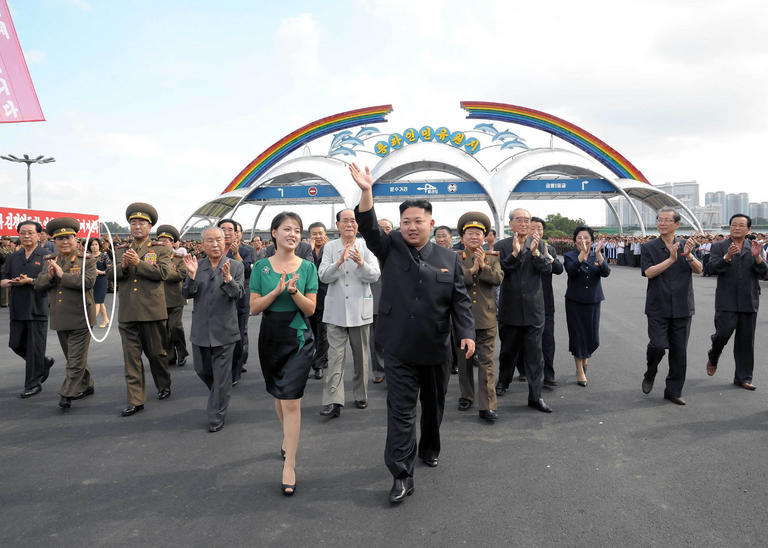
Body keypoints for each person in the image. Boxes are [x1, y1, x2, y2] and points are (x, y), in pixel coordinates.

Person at [349, 163, 475, 504]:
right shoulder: (390, 246)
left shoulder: (449, 256)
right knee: (401, 412)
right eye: (406, 222)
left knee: (432, 409)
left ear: (431, 224)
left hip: (436, 348)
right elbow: (369, 226)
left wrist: (466, 333)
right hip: (399, 347)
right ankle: (401, 474)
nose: (412, 226)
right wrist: (366, 192)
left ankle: (430, 447)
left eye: (418, 221)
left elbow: (460, 301)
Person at [250, 212, 318, 497]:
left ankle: (289, 463)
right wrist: (276, 291)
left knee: (291, 400)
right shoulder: (261, 267)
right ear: (274, 233)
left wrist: (293, 293)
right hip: (271, 337)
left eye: (297, 230)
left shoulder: (307, 267)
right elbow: (254, 307)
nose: (293, 234)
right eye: (287, 229)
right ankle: (287, 439)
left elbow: (311, 308)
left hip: (299, 337)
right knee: (279, 396)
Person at [110, 202, 172, 417]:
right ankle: (136, 399)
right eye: (133, 223)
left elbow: (163, 273)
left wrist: (139, 263)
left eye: (142, 223)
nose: (137, 227)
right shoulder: (120, 250)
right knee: (131, 358)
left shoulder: (161, 248)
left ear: (150, 227)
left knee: (156, 354)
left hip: (152, 311)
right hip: (128, 312)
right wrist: (124, 267)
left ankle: (163, 383)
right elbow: (111, 275)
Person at [318, 209, 380, 417]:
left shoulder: (366, 247)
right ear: (337, 225)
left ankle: (360, 395)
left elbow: (375, 276)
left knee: (361, 357)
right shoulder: (330, 247)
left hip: (359, 311)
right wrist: (339, 262)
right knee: (335, 357)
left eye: (353, 221)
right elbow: (324, 276)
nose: (350, 225)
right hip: (335, 312)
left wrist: (361, 263)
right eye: (345, 221)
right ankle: (333, 400)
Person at [182, 227, 244, 432]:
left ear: (225, 241)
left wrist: (228, 280)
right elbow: (187, 294)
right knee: (202, 370)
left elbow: (238, 294)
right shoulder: (196, 265)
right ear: (203, 244)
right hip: (201, 331)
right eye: (210, 240)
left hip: (225, 331)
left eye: (218, 240)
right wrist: (191, 276)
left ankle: (216, 415)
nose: (215, 244)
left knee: (222, 376)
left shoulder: (235, 266)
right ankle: (219, 395)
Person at [640, 209, 702, 405]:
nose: (662, 223)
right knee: (658, 346)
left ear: (676, 225)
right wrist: (671, 259)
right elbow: (648, 272)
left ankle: (673, 391)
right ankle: (651, 371)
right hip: (658, 306)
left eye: (667, 220)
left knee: (679, 351)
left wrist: (689, 255)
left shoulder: (686, 245)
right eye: (659, 220)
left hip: (683, 306)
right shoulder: (649, 246)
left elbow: (700, 269)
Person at [34, 218, 97, 409]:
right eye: (60, 238)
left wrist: (63, 275)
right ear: (54, 242)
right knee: (73, 357)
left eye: (68, 237)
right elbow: (38, 285)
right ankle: (87, 384)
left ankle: (66, 393)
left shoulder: (87, 260)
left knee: (75, 360)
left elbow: (88, 283)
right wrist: (50, 276)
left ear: (76, 239)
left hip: (81, 317)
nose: (64, 242)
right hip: (60, 318)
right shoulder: (50, 262)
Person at [495, 208, 553, 412]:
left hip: (533, 310)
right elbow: (500, 271)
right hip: (510, 309)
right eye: (519, 220)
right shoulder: (501, 246)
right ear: (510, 224)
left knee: (535, 355)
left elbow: (547, 269)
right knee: (507, 351)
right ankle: (503, 382)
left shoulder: (540, 244)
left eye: (527, 220)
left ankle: (535, 396)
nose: (523, 223)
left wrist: (536, 253)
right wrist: (515, 254)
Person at [705, 214, 767, 389]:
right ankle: (713, 355)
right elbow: (710, 268)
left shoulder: (755, 247)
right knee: (722, 334)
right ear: (729, 227)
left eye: (741, 225)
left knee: (746, 342)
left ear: (748, 229)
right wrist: (726, 257)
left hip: (749, 300)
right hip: (727, 300)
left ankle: (743, 377)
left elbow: (763, 272)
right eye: (733, 225)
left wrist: (757, 257)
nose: (737, 228)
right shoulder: (719, 246)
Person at [454, 212, 503, 422]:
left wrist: (482, 268)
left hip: (486, 318)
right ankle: (466, 395)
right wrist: (471, 270)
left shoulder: (492, 257)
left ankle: (488, 405)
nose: (474, 237)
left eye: (478, 234)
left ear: (485, 238)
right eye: (470, 234)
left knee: (486, 363)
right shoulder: (455, 257)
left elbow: (498, 279)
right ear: (463, 238)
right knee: (464, 363)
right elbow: (451, 281)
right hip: (462, 319)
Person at [1, 220, 54, 398]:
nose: (26, 236)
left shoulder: (46, 255)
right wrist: (9, 282)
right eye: (23, 232)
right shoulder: (13, 257)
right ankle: (42, 362)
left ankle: (33, 384)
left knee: (34, 348)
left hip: (37, 307)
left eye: (30, 232)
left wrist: (29, 281)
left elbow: (49, 281)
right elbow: (4, 278)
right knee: (15, 344)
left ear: (39, 235)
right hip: (17, 307)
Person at [563, 226, 610, 387]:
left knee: (593, 338)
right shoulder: (570, 256)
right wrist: (582, 254)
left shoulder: (597, 255)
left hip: (593, 301)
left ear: (592, 239)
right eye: (579, 238)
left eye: (586, 237)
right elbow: (571, 270)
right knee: (578, 336)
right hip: (575, 302)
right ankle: (579, 370)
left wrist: (597, 255)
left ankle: (585, 357)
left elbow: (606, 272)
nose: (583, 240)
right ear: (574, 241)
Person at [217, 219, 252, 386]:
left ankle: (235, 370)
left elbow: (247, 271)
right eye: (222, 229)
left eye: (230, 229)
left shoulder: (246, 250)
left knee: (238, 335)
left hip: (239, 299)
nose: (226, 232)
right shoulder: (213, 250)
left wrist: (236, 254)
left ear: (236, 232)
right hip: (218, 301)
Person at [530, 217, 564, 386]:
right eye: (533, 227)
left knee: (548, 338)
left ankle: (549, 373)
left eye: (539, 228)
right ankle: (526, 371)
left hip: (545, 301)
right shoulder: (521, 247)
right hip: (527, 302)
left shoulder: (549, 248)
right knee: (528, 340)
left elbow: (558, 269)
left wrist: (550, 257)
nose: (536, 230)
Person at [155, 225, 189, 368]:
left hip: (175, 299)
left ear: (173, 243)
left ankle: (181, 352)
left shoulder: (178, 258)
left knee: (175, 327)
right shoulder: (152, 258)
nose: (163, 244)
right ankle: (170, 355)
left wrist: (161, 273)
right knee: (163, 330)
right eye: (160, 241)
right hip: (157, 300)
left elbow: (181, 274)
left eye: (166, 242)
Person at [369, 218, 392, 384]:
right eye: (381, 228)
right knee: (376, 339)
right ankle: (379, 370)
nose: (384, 231)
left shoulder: (400, 247)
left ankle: (394, 370)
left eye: (388, 228)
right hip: (375, 299)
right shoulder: (368, 249)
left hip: (397, 300)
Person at [308, 221, 329, 379]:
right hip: (309, 298)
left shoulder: (330, 250)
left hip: (326, 297)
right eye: (314, 233)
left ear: (325, 235)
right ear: (310, 236)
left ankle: (319, 364)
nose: (318, 236)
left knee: (323, 333)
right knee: (313, 332)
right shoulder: (304, 251)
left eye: (320, 233)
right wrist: (309, 250)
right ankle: (322, 357)